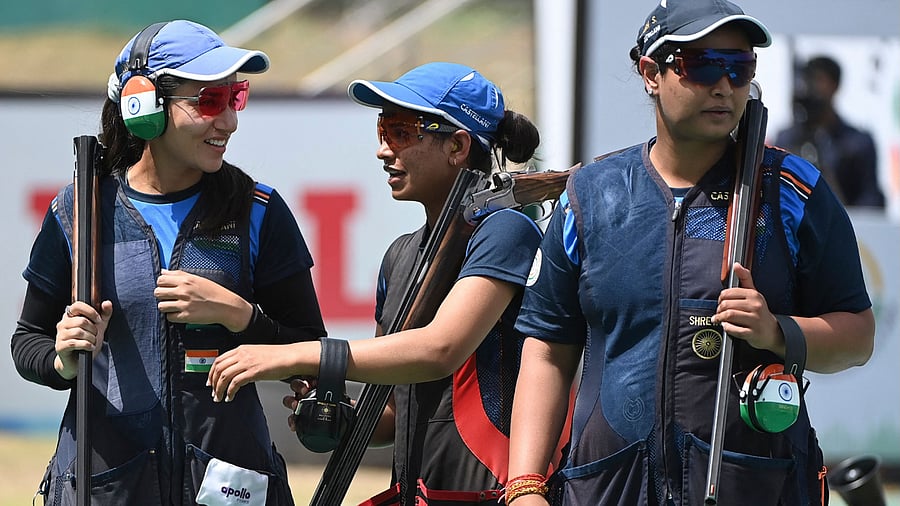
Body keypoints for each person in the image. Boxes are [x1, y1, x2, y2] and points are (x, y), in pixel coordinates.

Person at [505, 0, 876, 505]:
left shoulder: (792, 189)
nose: (724, 86)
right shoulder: (590, 194)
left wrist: (778, 331)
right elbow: (548, 349)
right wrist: (524, 484)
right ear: (650, 72)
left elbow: (857, 336)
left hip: (755, 487)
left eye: (740, 68)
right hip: (606, 489)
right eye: (702, 65)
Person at [208, 62, 556, 505]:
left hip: (495, 494)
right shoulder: (400, 255)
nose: (383, 150)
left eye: (401, 131)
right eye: (382, 130)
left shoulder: (505, 229)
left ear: (458, 145)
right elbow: (394, 410)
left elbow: (440, 350)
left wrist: (306, 355)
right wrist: (339, 418)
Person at [11, 20, 326, 506]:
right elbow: (26, 342)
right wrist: (63, 359)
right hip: (106, 488)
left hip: (229, 489)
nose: (230, 122)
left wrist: (236, 314)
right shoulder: (77, 211)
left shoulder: (258, 210)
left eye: (234, 97)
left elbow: (310, 352)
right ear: (142, 106)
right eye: (209, 102)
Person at [775, 55, 885, 208]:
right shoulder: (787, 139)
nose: (811, 88)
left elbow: (871, 200)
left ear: (835, 85)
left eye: (819, 80)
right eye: (807, 80)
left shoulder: (857, 143)